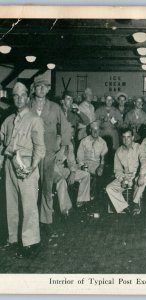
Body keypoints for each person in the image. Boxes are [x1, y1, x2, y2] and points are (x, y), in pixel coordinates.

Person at [0, 82, 45, 258]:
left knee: (28, 205)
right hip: (10, 165)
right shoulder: (8, 120)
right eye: (16, 96)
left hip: (26, 165)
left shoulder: (35, 120)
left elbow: (40, 148)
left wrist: (32, 168)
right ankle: (13, 238)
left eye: (22, 96)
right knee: (11, 204)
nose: (19, 99)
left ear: (28, 97)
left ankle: (30, 241)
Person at [28, 74, 71, 234]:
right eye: (38, 86)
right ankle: (31, 221)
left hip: (48, 153)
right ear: (34, 89)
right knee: (30, 187)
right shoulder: (28, 105)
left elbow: (65, 127)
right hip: (30, 152)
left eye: (44, 87)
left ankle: (45, 221)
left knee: (46, 187)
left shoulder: (54, 108)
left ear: (47, 90)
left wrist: (64, 146)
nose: (41, 89)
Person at [106, 127, 146, 216]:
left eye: (128, 137)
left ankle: (135, 203)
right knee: (109, 188)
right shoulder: (118, 151)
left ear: (132, 138)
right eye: (124, 137)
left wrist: (141, 175)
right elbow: (117, 170)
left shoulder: (139, 147)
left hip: (136, 176)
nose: (126, 139)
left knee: (145, 178)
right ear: (122, 138)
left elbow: (144, 161)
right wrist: (122, 179)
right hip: (125, 177)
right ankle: (126, 208)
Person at [54, 134, 91, 211]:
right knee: (62, 181)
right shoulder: (52, 140)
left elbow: (71, 161)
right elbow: (49, 161)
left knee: (86, 175)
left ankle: (81, 201)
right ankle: (66, 209)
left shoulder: (68, 144)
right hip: (51, 170)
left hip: (62, 169)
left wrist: (73, 172)